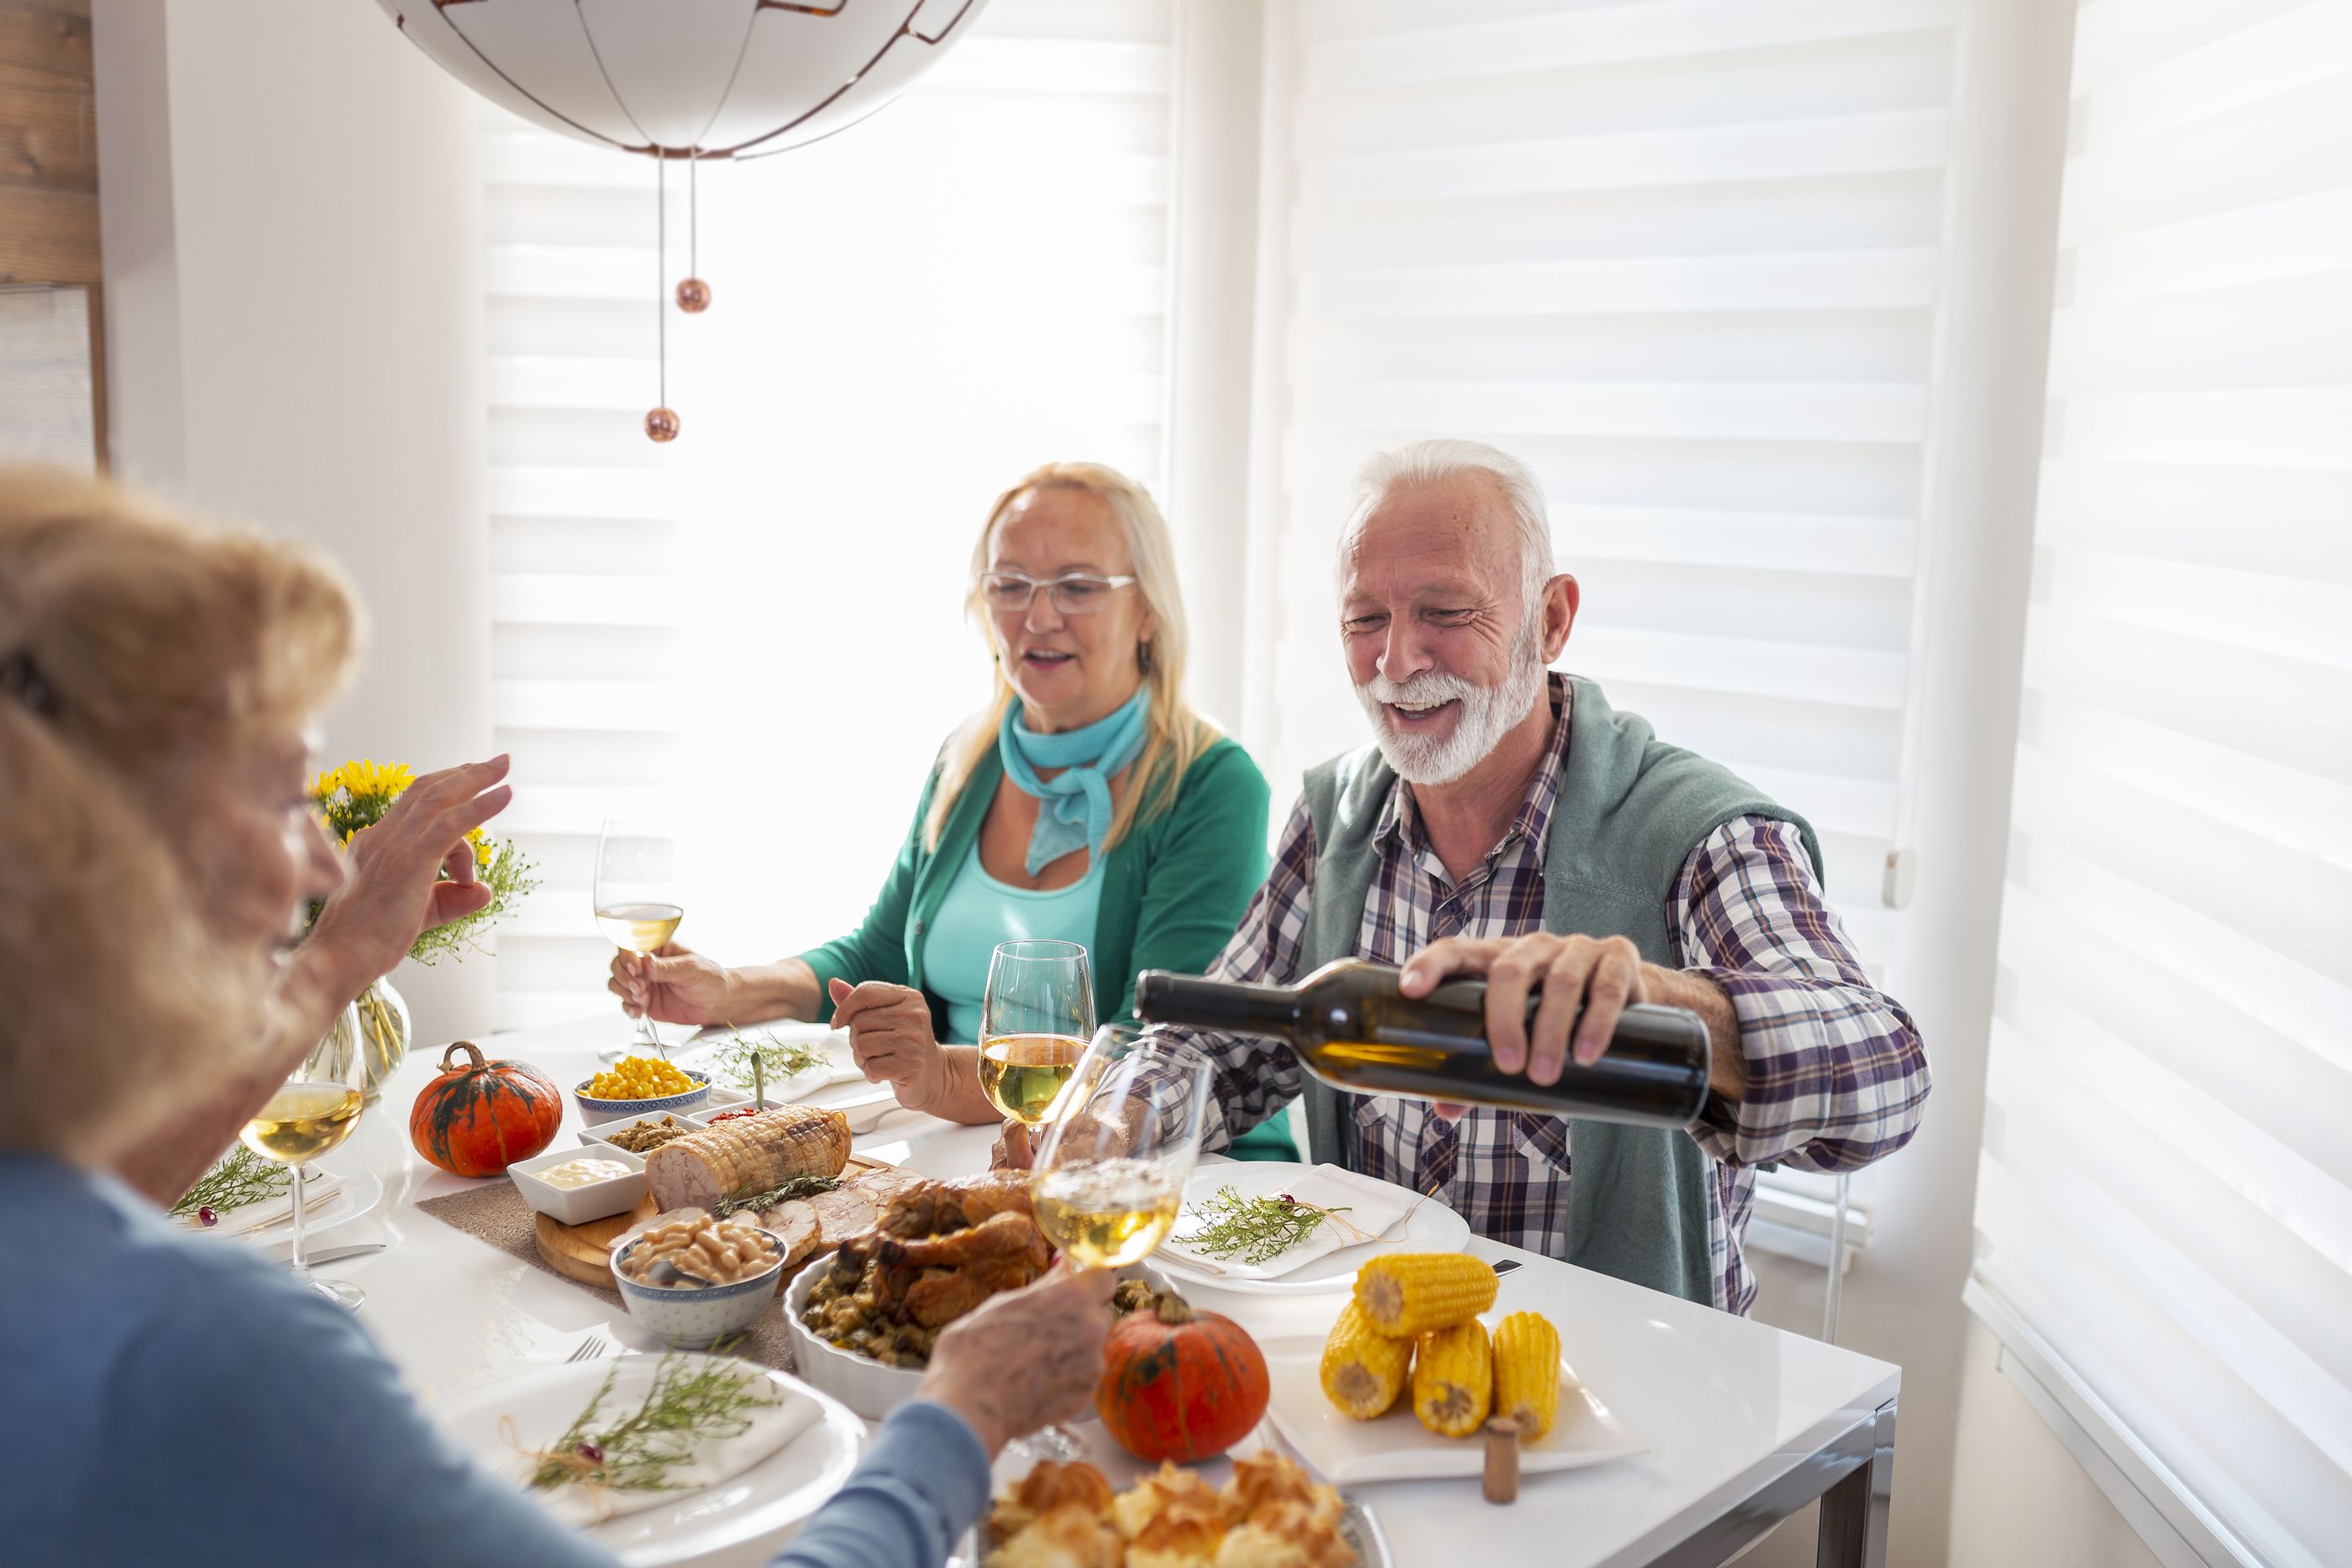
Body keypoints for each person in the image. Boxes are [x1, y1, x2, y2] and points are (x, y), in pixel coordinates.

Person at [0, 469, 1114, 1568]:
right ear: (99, 853)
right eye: (287, 793)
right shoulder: (216, 1348)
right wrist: (958, 1419)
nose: (318, 857)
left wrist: (343, 950)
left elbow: (97, 1191)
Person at [1129, 440, 1931, 1315]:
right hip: (1376, 1371)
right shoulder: (1335, 815)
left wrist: (1672, 1001)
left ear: (1550, 621)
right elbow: (1222, 1042)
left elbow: (1888, 1075)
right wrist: (1110, 1122)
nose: (1396, 661)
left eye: (1443, 610)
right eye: (1365, 620)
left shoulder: (1698, 831)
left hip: (1631, 1390)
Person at [610, 461, 1292, 1154]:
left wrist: (941, 1076)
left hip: (1181, 1183)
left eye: (1078, 587)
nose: (1039, 615)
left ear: (1148, 608)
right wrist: (731, 990)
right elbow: (877, 954)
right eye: (1011, 584)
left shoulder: (1213, 786)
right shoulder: (967, 759)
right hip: (973, 1145)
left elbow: (1156, 1054)